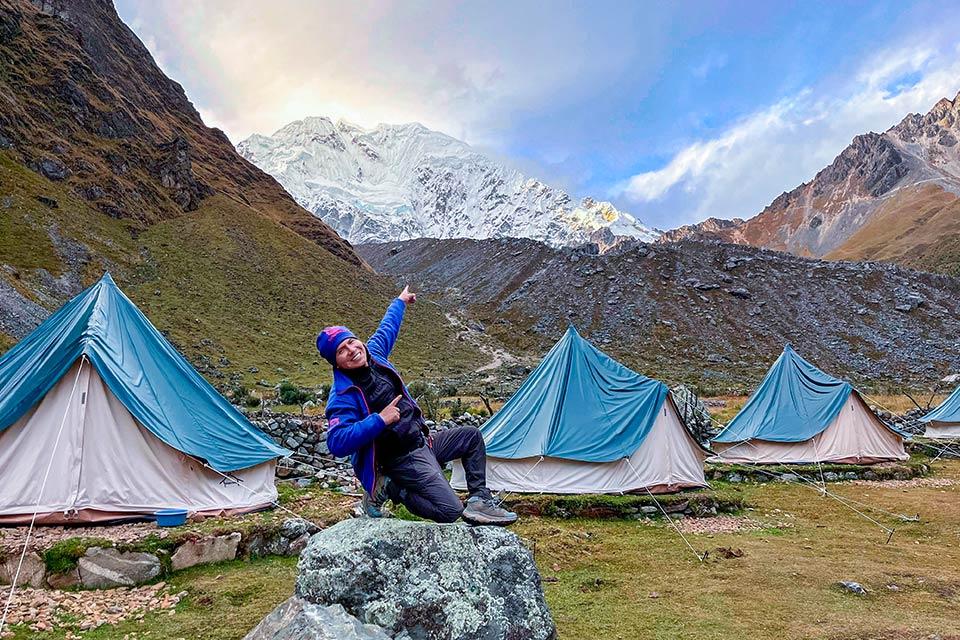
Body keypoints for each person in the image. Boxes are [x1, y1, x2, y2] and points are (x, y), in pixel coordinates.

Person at [317, 286, 517, 526]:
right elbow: (337, 442)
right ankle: (394, 487)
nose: (352, 350)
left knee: (471, 437)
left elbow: (387, 328)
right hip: (401, 458)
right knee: (450, 511)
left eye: (351, 341)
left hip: (424, 442)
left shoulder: (375, 354)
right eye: (341, 350)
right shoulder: (342, 395)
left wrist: (400, 301)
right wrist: (380, 419)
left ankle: (479, 500)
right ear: (335, 362)